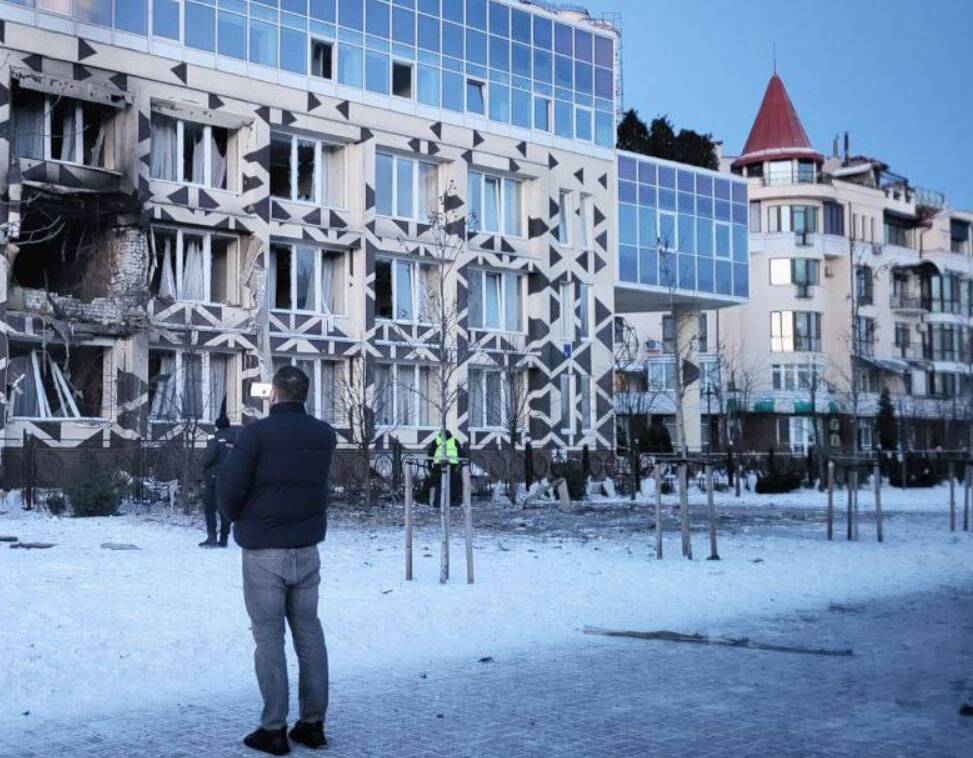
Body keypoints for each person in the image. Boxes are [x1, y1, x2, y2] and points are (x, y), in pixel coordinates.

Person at [219, 365, 337, 756]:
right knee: (309, 633)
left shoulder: (256, 434)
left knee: (269, 637)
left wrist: (236, 518)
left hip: (264, 551)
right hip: (307, 549)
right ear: (305, 393)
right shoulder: (324, 434)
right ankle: (313, 724)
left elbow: (230, 488)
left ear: (273, 393)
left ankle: (273, 728)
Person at [199, 414, 238, 548]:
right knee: (224, 509)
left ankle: (212, 537)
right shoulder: (237, 439)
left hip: (214, 477)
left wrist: (203, 464)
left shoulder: (215, 438)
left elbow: (209, 457)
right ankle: (224, 539)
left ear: (217, 426)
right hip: (230, 478)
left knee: (210, 507)